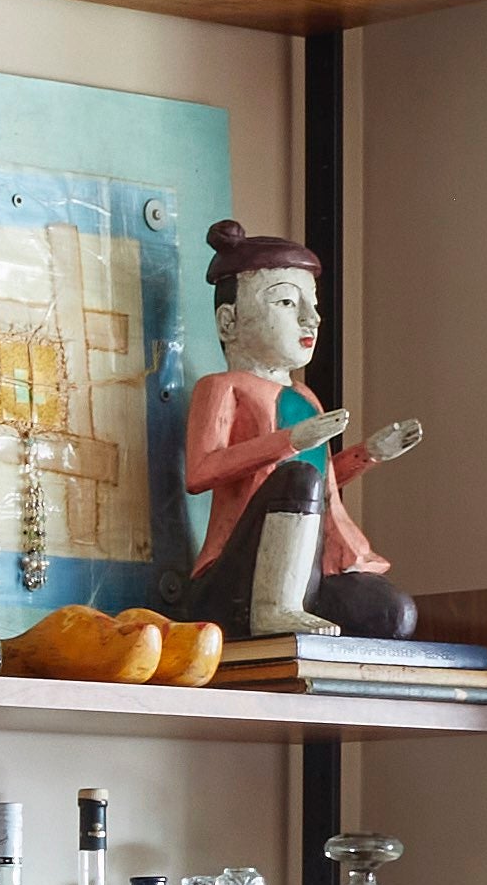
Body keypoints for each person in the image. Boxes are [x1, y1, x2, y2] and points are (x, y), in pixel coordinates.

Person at [180, 223, 423, 640]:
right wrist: (288, 442)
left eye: (312, 303)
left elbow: (321, 481)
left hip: (309, 568)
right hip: (238, 578)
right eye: (287, 302)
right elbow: (200, 472)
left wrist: (368, 454)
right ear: (229, 322)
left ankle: (296, 604)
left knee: (393, 614)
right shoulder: (222, 387)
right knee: (296, 477)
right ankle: (275, 607)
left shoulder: (306, 396)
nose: (311, 317)